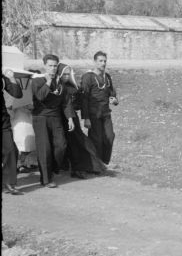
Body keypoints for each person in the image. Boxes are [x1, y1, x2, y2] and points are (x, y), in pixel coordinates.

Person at [31, 54, 74, 188]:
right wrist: (48, 82)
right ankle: (46, 179)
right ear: (44, 66)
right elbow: (41, 96)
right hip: (41, 117)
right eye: (50, 65)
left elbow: (66, 102)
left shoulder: (61, 83)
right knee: (45, 149)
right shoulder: (37, 81)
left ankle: (52, 169)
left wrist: (70, 118)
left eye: (55, 66)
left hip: (55, 117)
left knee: (61, 145)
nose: (53, 68)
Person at [57, 63, 106, 178]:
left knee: (78, 142)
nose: (66, 76)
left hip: (72, 119)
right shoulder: (56, 85)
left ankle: (83, 167)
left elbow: (78, 104)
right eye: (64, 74)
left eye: (68, 74)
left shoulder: (72, 87)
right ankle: (63, 166)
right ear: (59, 74)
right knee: (63, 144)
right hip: (59, 118)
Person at [81, 51, 118, 166]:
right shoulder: (88, 77)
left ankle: (104, 162)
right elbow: (84, 98)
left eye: (105, 61)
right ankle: (96, 164)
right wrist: (86, 118)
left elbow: (112, 94)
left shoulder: (107, 77)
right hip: (93, 114)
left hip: (106, 113)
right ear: (95, 62)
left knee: (110, 137)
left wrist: (115, 100)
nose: (103, 63)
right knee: (96, 140)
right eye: (100, 61)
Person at [2, 68, 24, 195]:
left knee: (10, 149)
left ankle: (8, 183)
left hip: (3, 120)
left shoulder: (3, 78)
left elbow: (17, 94)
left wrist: (11, 78)